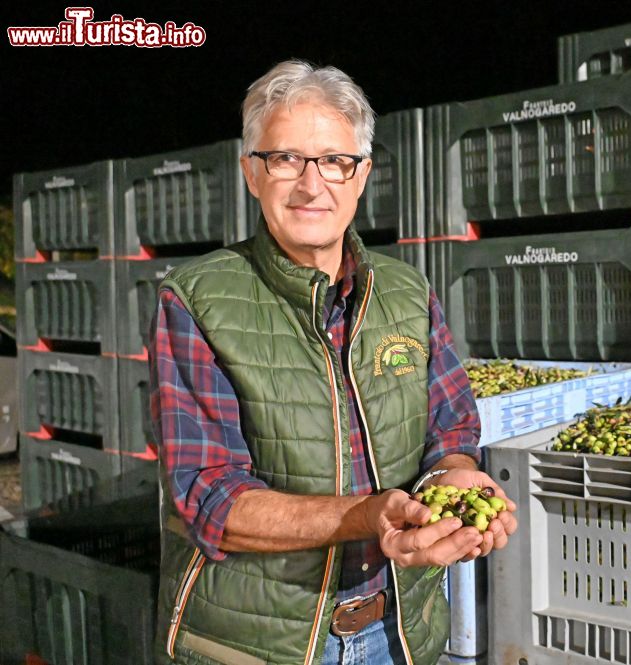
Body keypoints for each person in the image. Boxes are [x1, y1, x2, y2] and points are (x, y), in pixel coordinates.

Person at [149, 59, 517, 665]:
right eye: (285, 158)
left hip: (402, 631)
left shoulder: (406, 292)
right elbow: (212, 499)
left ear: (362, 173)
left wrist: (454, 478)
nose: (311, 185)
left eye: (334, 161)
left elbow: (450, 428)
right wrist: (372, 516)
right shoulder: (196, 299)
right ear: (250, 172)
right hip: (260, 644)